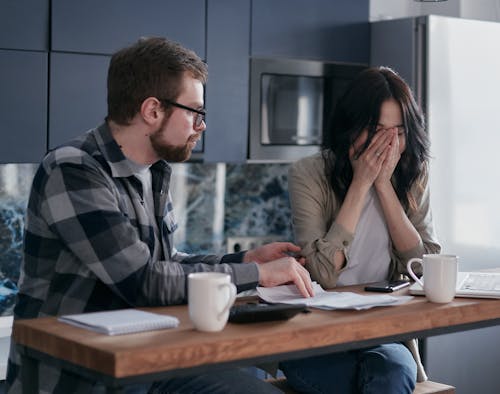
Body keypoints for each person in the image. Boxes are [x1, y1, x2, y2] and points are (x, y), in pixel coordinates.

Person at [6, 37, 314, 394]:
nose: (202, 126)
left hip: (147, 362)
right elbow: (144, 281)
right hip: (80, 377)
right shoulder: (74, 170)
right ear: (153, 110)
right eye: (195, 112)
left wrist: (243, 258)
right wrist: (258, 273)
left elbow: (166, 262)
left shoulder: (152, 171)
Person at [279, 67, 441, 393]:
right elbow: (323, 273)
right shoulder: (309, 174)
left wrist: (384, 186)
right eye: (377, 130)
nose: (388, 143)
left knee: (392, 372)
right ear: (351, 128)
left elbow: (425, 269)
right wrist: (361, 183)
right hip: (313, 334)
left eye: (398, 131)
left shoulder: (412, 173)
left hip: (382, 334)